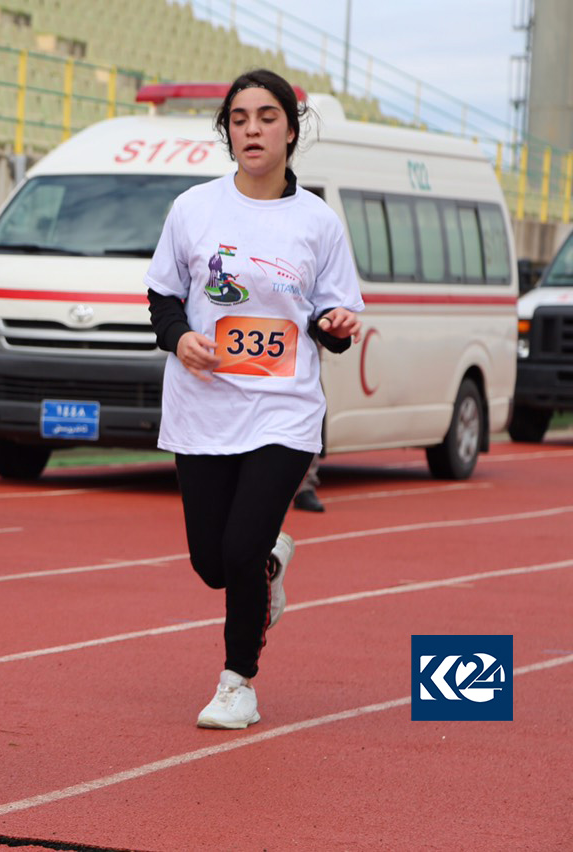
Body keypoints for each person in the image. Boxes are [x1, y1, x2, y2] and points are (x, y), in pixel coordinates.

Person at [144, 70, 363, 729]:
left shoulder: (317, 222)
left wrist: (335, 327)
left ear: (292, 130)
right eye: (239, 119)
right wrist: (180, 339)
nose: (252, 129)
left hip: (284, 410)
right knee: (213, 564)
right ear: (227, 132)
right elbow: (162, 297)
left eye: (266, 117)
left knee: (238, 552)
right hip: (203, 406)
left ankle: (238, 682)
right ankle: (270, 564)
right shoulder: (193, 210)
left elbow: (333, 315)